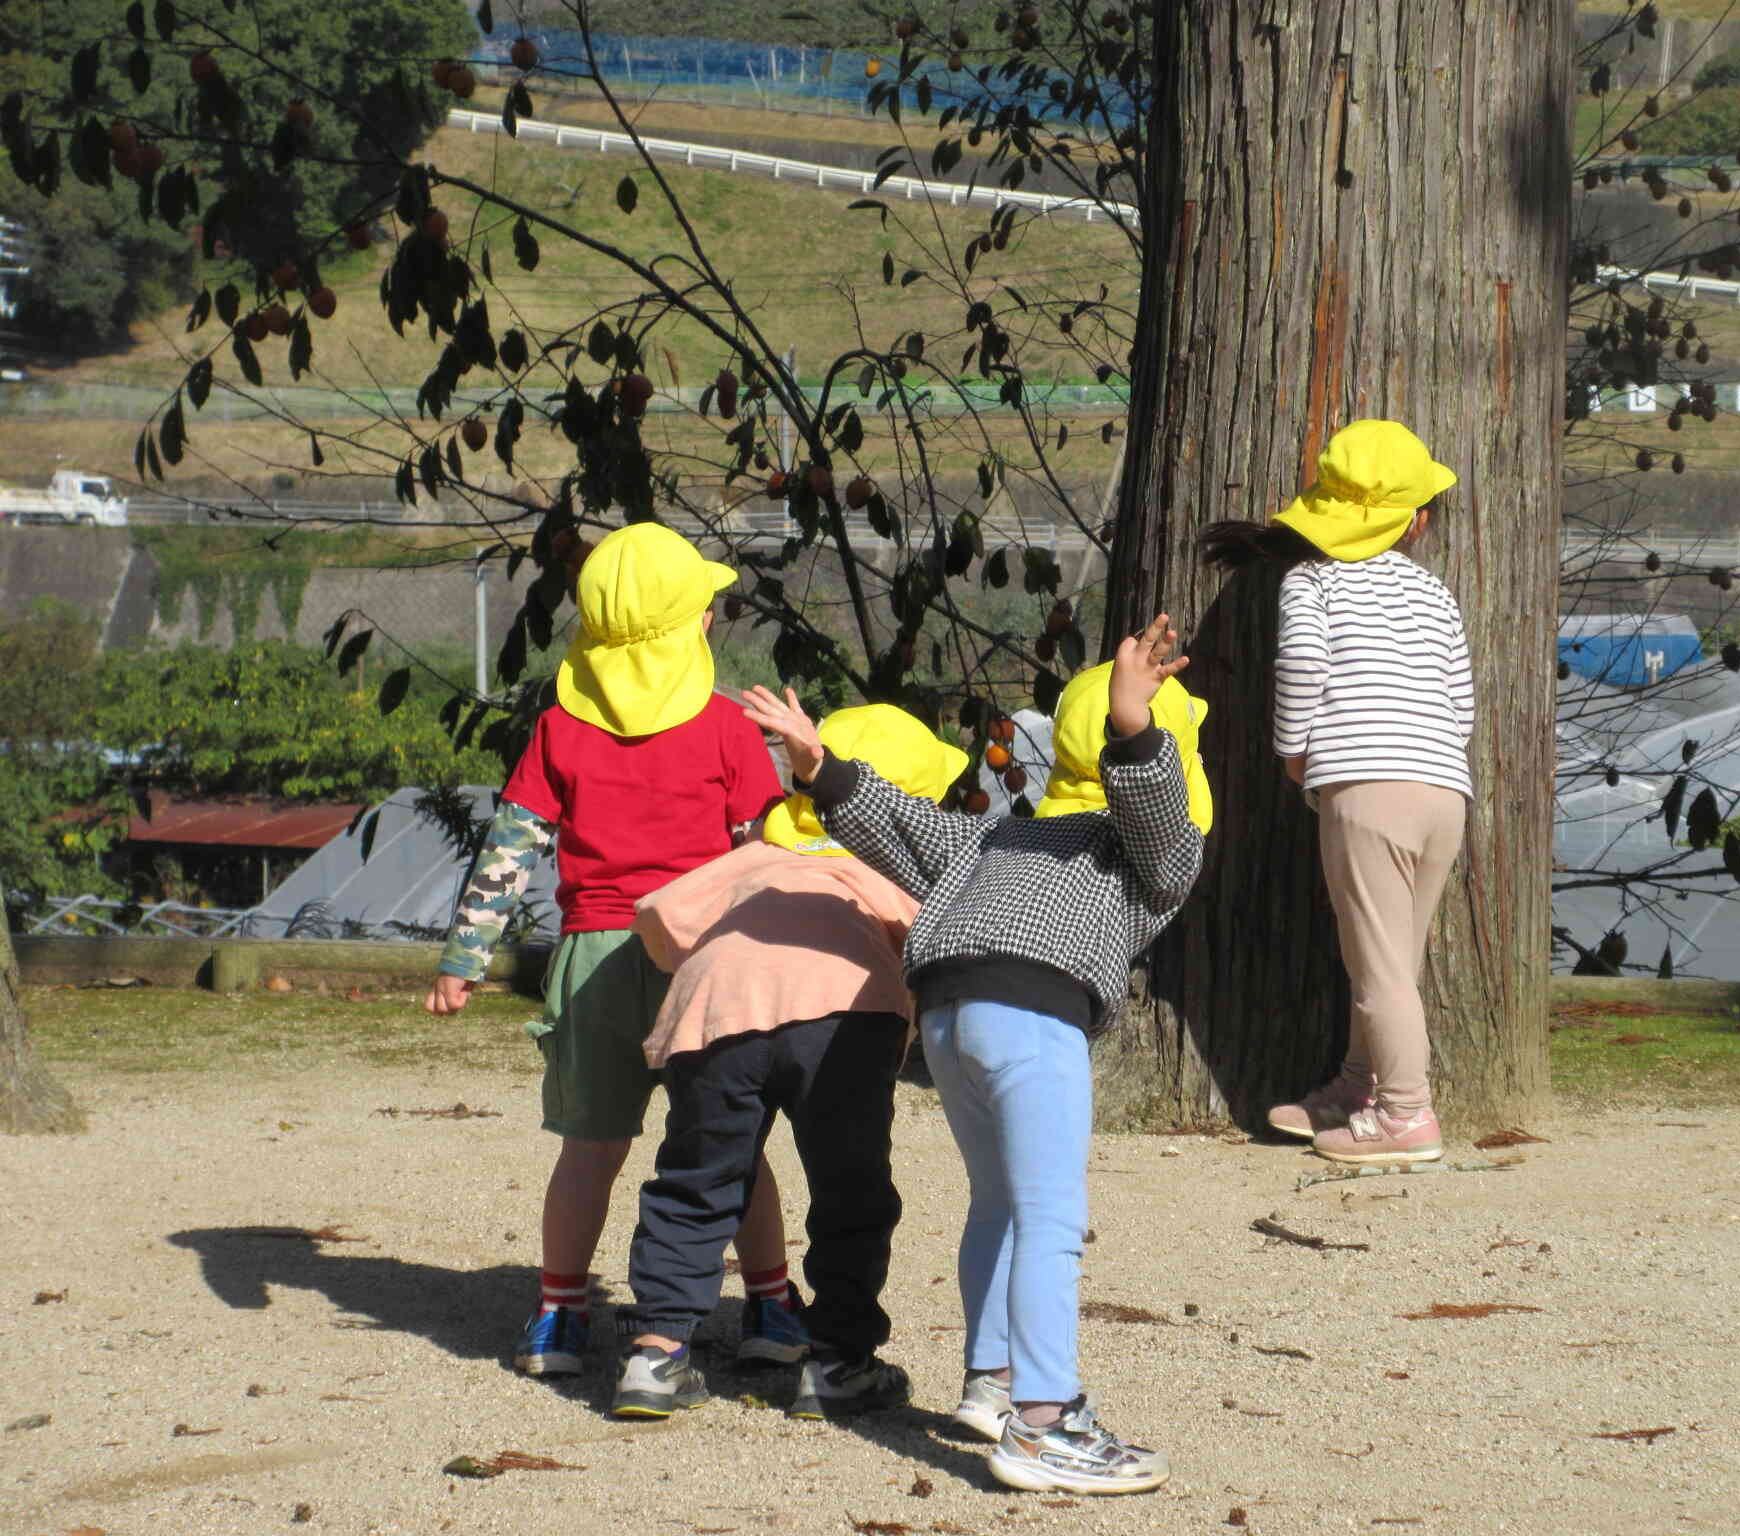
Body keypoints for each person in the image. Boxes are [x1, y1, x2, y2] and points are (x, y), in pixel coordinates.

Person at [740, 614, 1209, 1497]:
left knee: (997, 1201)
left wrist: (819, 765)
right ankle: (1046, 1423)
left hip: (949, 1011)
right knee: (1051, 1218)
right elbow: (1153, 810)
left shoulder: (998, 835)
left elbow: (899, 826)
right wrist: (1137, 724)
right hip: (1032, 1009)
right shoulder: (1158, 851)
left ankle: (990, 1385)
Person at [425, 523, 795, 1378]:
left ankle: (558, 1315)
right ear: (695, 627)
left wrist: (463, 959)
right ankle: (772, 1306)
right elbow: (762, 853)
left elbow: (510, 849)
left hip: (593, 958)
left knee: (588, 1147)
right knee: (729, 1145)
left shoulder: (560, 730)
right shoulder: (731, 730)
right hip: (704, 959)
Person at [609, 704, 968, 1421]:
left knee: (698, 1178)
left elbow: (659, 913)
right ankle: (837, 1362)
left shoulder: (753, 861)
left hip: (717, 1013)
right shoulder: (889, 876)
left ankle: (655, 1354)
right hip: (844, 1020)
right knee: (849, 1191)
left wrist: (707, 966)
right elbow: (930, 954)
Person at [1200, 418, 1474, 1166]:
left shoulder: (1312, 581)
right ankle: (1360, 1087)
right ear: (1417, 521)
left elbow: (1300, 677)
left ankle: (1406, 1116)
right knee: (1396, 961)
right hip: (1445, 789)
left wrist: (1295, 758)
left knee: (1378, 967)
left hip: (1364, 788)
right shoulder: (1435, 592)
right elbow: (1462, 702)